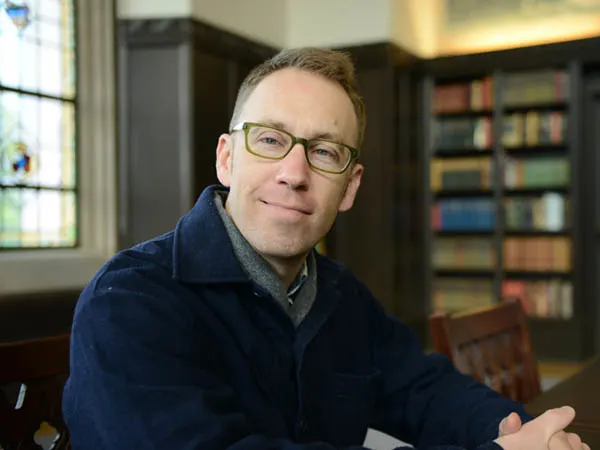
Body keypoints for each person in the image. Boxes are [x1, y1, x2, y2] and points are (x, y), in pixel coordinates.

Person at [62, 48, 588, 450]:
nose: (294, 174)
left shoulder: (341, 295)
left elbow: (424, 390)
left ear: (350, 187)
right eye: (270, 140)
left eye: (324, 151)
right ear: (227, 159)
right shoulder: (129, 300)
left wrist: (528, 432)